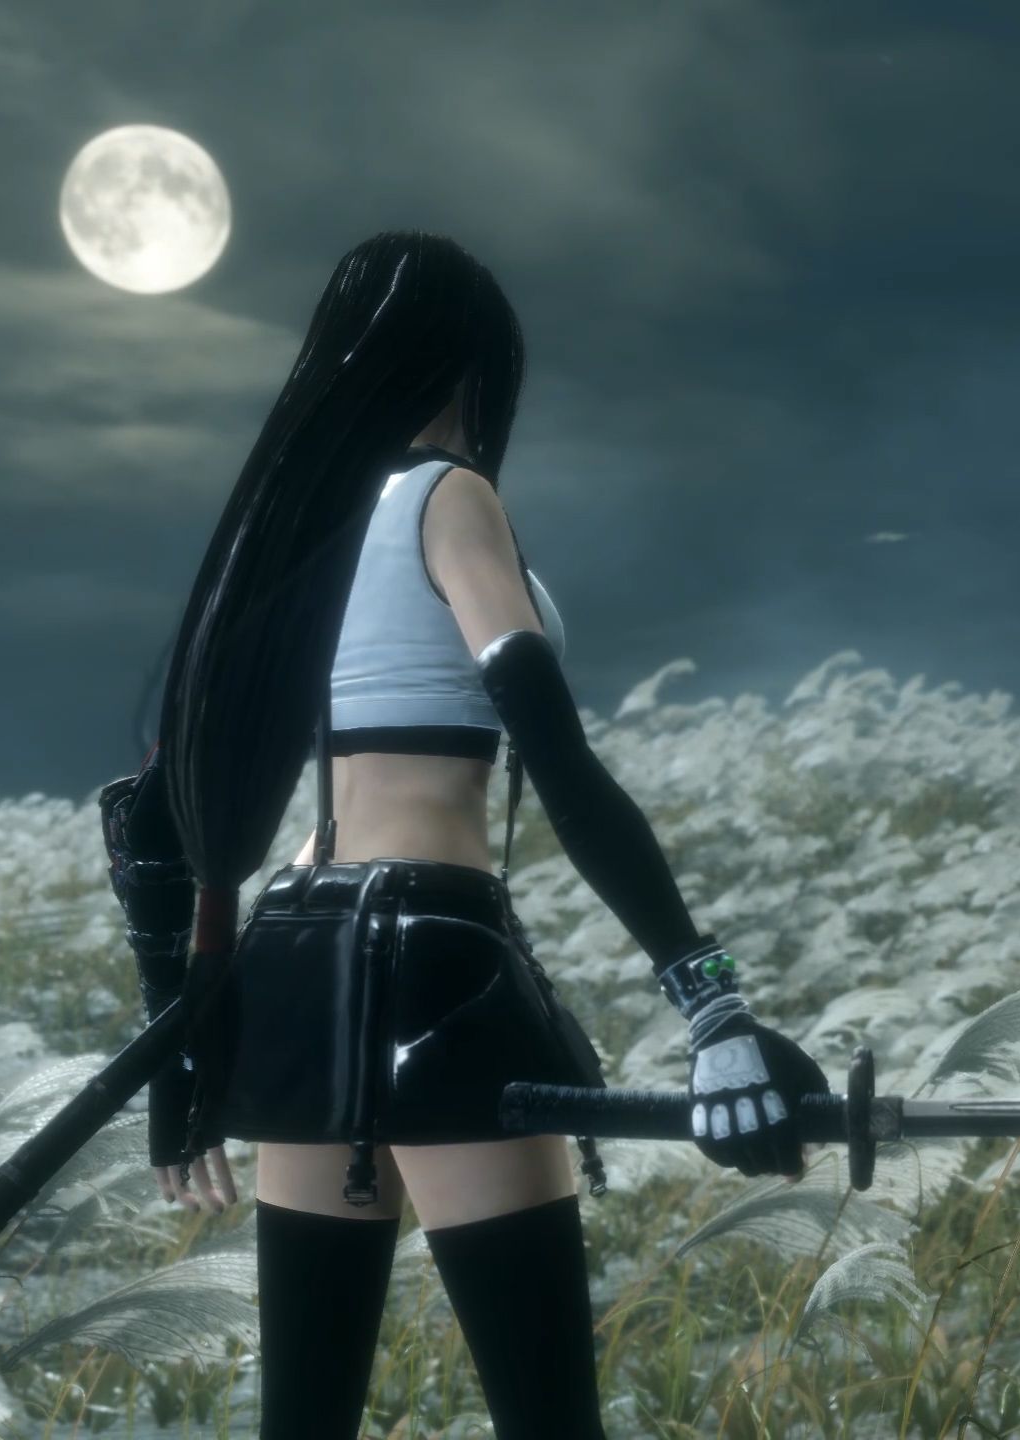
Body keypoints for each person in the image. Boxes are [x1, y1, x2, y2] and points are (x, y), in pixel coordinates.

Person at [126, 231, 830, 1439]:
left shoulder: (286, 529)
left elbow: (159, 813)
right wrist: (710, 1005)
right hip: (432, 964)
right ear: (470, 361)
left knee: (304, 1425)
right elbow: (558, 758)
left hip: (293, 965)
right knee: (547, 1418)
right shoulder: (449, 497)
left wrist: (176, 1056)